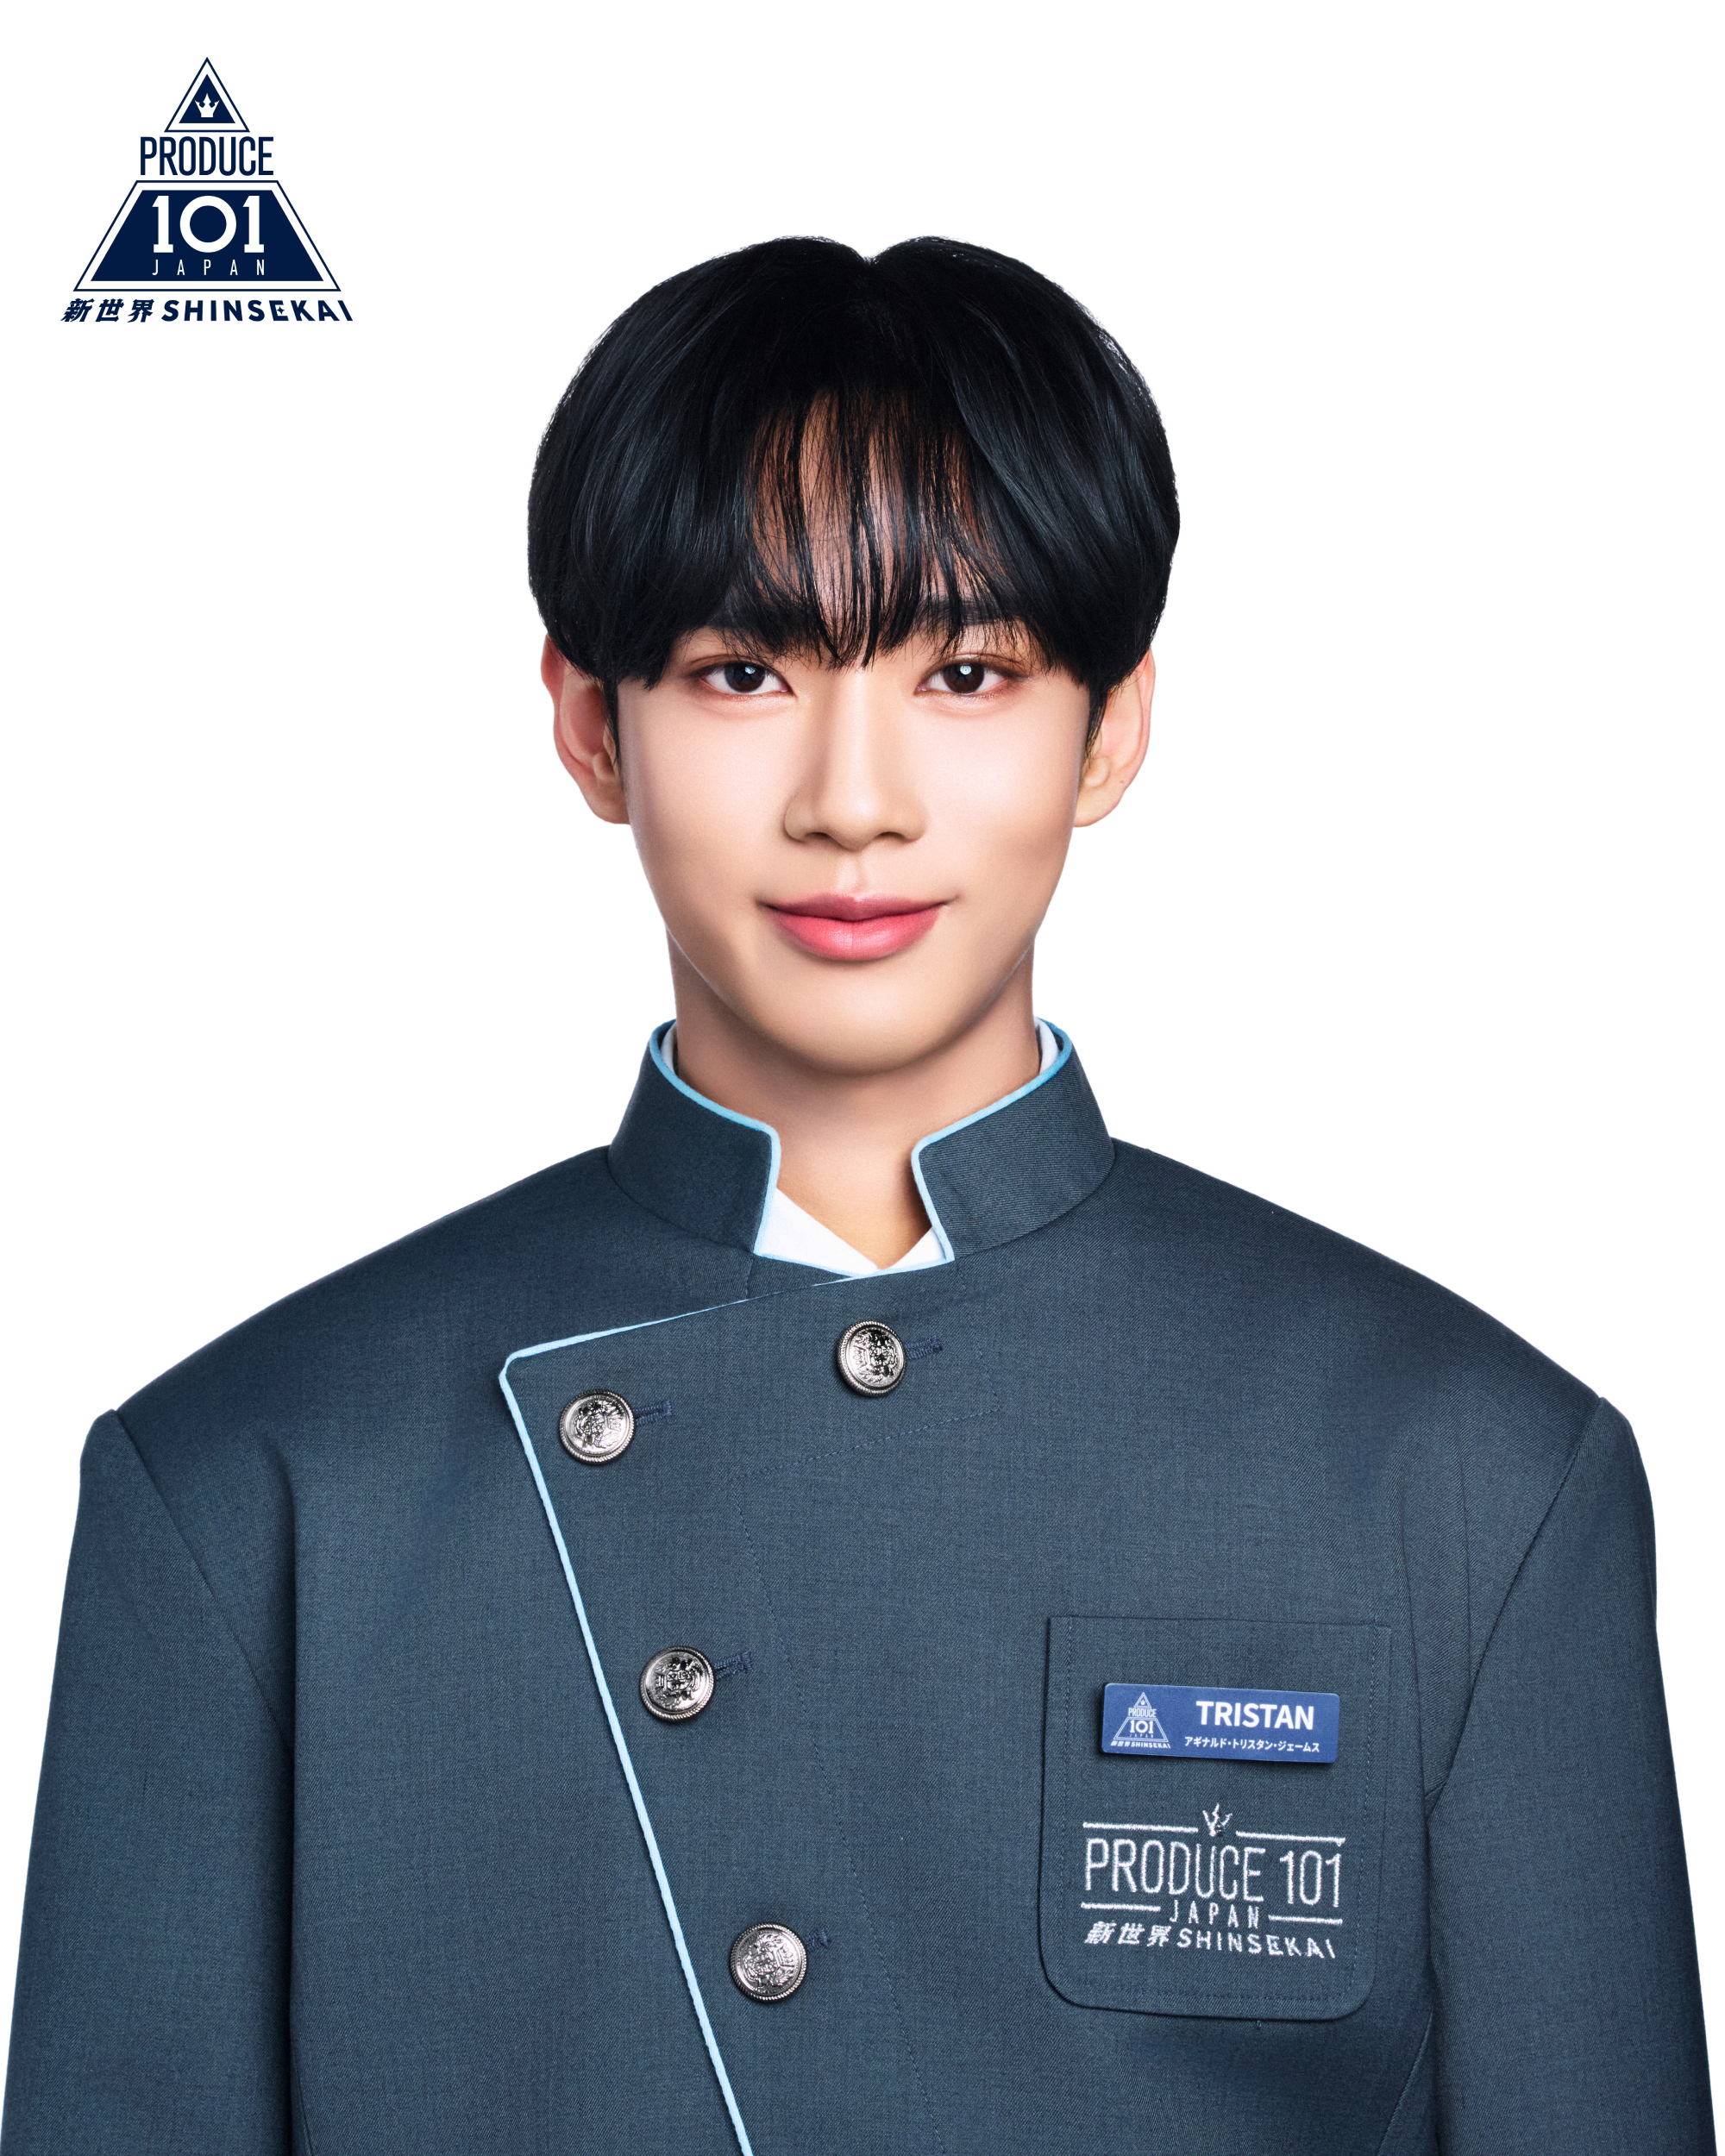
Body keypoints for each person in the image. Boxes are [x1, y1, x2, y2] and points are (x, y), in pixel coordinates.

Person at [1, 236, 1711, 2156]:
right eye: (743, 672)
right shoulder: (249, 1488)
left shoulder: (1472, 1479)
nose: (854, 799)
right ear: (590, 726)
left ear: (1112, 725)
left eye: (966, 673)